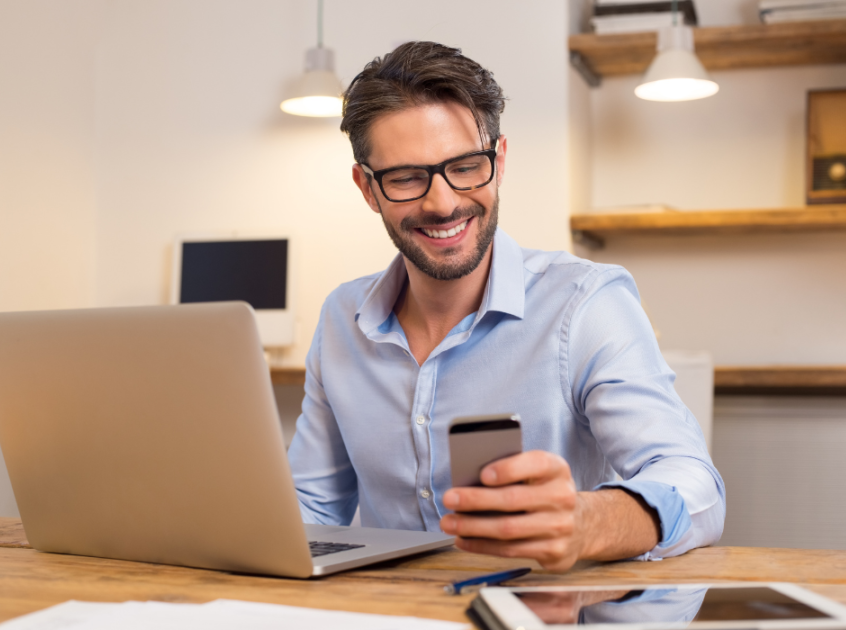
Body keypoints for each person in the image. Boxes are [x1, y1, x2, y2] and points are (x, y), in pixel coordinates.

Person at [286, 41, 724, 572]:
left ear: (499, 161)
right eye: (405, 177)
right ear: (367, 188)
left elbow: (693, 484)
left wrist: (589, 521)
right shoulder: (341, 319)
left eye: (467, 166)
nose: (443, 202)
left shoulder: (585, 304)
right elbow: (310, 512)